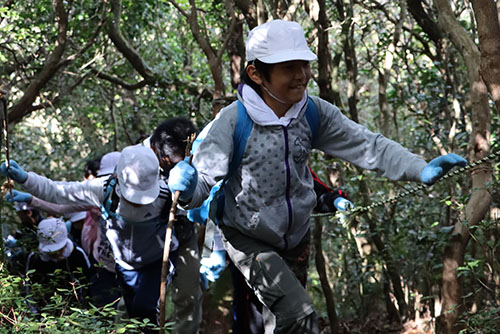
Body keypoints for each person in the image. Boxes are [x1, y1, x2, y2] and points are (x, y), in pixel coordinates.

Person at [167, 19, 467, 333]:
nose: (302, 75)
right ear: (256, 73)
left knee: (281, 323)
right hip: (249, 240)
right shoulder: (233, 121)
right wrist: (187, 187)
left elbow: (367, 145)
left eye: (304, 65)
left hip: (297, 241)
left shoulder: (312, 112)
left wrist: (419, 168)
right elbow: (202, 183)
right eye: (288, 67)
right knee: (300, 317)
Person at [1, 145, 178, 331]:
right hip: (123, 266)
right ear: (118, 179)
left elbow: (196, 198)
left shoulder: (167, 193)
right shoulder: (104, 190)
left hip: (157, 261)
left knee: (145, 310)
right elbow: (59, 193)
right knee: (135, 316)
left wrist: (190, 189)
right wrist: (27, 180)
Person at [149, 117, 203, 334]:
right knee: (141, 298)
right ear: (158, 153)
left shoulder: (194, 157)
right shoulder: (139, 160)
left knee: (189, 297)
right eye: (171, 162)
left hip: (184, 233)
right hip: (151, 237)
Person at [26, 217, 91, 312]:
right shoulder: (34, 258)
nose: (55, 254)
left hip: (75, 310)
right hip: (44, 311)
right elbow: (29, 288)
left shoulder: (77, 254)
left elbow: (87, 283)